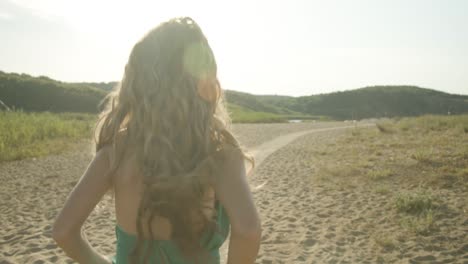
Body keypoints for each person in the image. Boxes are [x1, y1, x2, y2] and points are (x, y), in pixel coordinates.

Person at [52, 17, 262, 264]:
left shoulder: (116, 152)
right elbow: (248, 231)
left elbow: (63, 231)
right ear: (205, 82)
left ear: (135, 83)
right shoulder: (220, 155)